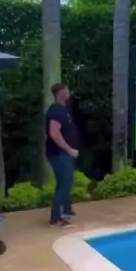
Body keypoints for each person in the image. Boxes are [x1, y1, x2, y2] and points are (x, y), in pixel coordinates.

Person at [45, 83, 79, 227]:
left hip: (62, 154)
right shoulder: (56, 111)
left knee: (64, 182)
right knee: (64, 184)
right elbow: (54, 133)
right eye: (67, 90)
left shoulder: (63, 110)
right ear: (62, 93)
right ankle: (56, 219)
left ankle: (65, 210)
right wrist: (69, 150)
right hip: (59, 154)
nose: (69, 92)